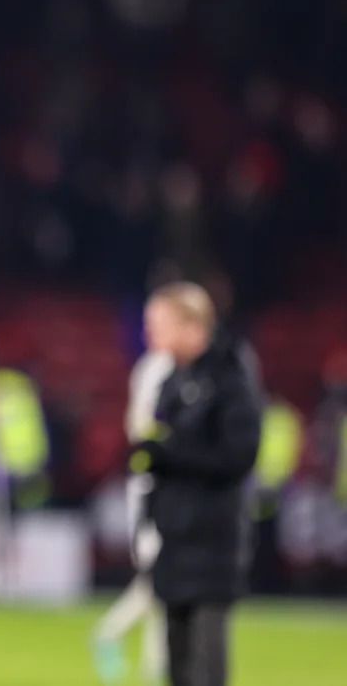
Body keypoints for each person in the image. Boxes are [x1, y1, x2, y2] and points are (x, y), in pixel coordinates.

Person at [130, 282, 262, 686]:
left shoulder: (230, 380)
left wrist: (171, 452)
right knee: (177, 660)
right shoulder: (173, 379)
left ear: (192, 325)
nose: (149, 333)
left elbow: (238, 457)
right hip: (174, 536)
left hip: (211, 538)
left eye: (158, 323)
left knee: (205, 661)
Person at [92, 346, 173, 685]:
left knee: (160, 586)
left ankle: (121, 642)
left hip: (160, 485)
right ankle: (115, 637)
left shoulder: (159, 367)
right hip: (154, 486)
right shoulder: (159, 368)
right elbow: (144, 429)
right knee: (160, 583)